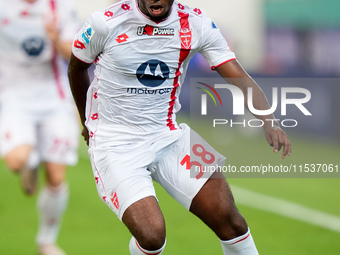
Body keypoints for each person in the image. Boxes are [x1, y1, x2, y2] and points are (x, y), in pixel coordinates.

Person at [68, 0, 291, 254]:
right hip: (116, 144)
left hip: (169, 136)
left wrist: (269, 120)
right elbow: (76, 68)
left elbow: (238, 75)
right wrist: (87, 120)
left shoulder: (196, 23)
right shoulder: (105, 23)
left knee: (231, 222)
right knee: (152, 236)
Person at [0, 0, 80, 254]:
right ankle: (31, 160)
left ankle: (46, 241)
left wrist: (55, 39)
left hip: (53, 98)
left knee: (56, 177)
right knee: (16, 160)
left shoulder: (62, 7)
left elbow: (76, 55)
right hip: (13, 96)